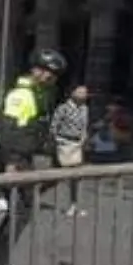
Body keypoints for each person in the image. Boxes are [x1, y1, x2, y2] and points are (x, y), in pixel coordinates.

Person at [0, 48, 65, 265]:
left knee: (21, 211)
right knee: (20, 211)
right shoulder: (22, 94)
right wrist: (11, 163)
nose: (52, 78)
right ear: (37, 70)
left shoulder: (40, 93)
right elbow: (9, 129)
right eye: (49, 73)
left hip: (24, 158)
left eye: (55, 75)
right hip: (15, 159)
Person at [50, 84, 90, 214]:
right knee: (55, 177)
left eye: (84, 92)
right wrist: (57, 141)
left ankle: (74, 205)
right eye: (79, 92)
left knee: (76, 177)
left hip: (77, 145)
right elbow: (54, 126)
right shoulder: (63, 108)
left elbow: (84, 126)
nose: (82, 95)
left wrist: (84, 138)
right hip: (63, 143)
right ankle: (32, 196)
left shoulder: (84, 109)